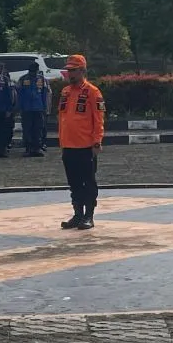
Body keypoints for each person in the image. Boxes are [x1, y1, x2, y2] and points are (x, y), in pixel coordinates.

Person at [56, 54, 104, 230]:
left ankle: (88, 215)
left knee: (88, 182)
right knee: (74, 183)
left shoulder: (92, 91)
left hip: (86, 146)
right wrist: (62, 142)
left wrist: (97, 141)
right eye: (68, 70)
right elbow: (62, 118)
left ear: (82, 70)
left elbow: (98, 119)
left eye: (73, 70)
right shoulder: (65, 92)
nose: (70, 74)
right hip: (68, 145)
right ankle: (77, 214)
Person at [16, 63, 51, 158]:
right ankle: (28, 148)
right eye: (31, 71)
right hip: (26, 109)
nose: (33, 73)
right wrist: (20, 107)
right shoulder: (23, 79)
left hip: (38, 108)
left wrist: (45, 108)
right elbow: (19, 94)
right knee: (27, 129)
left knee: (38, 129)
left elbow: (45, 94)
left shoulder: (42, 79)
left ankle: (37, 148)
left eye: (34, 71)